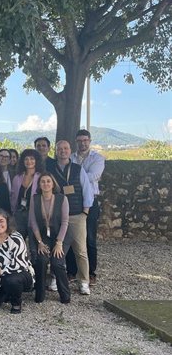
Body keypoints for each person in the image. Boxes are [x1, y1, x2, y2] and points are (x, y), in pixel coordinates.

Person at [49, 140, 94, 295]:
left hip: (76, 215)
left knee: (81, 251)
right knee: (58, 249)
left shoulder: (77, 169)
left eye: (66, 148)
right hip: (57, 216)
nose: (63, 151)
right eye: (60, 149)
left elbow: (87, 190)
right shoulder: (51, 169)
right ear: (56, 151)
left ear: (70, 151)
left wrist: (85, 212)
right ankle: (55, 277)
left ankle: (83, 281)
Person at [29, 173, 71, 304]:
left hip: (61, 236)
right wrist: (40, 242)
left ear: (53, 184)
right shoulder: (35, 199)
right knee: (41, 261)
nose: (45, 184)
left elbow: (65, 222)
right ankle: (40, 295)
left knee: (57, 263)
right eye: (42, 182)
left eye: (48, 181)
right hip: (42, 237)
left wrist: (59, 243)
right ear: (39, 184)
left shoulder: (62, 199)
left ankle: (65, 295)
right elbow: (33, 222)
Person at [71, 129, 105, 285]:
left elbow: (94, 176)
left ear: (90, 141)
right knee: (71, 237)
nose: (82, 143)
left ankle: (91, 273)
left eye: (85, 140)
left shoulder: (97, 158)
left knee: (90, 238)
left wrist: (75, 178)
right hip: (73, 202)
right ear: (76, 142)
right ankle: (71, 271)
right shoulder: (71, 157)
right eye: (79, 141)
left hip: (90, 202)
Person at [10, 149, 43, 238]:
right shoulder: (17, 178)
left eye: (32, 158)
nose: (29, 161)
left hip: (35, 215)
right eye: (26, 159)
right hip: (19, 214)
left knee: (33, 242)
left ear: (36, 160)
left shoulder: (41, 177)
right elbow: (13, 197)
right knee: (18, 240)